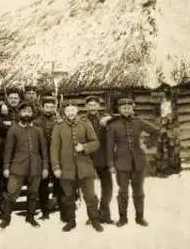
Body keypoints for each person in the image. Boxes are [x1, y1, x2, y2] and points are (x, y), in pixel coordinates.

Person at [106, 97, 164, 227]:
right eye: (123, 108)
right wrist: (110, 164)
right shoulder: (113, 125)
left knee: (138, 191)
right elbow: (109, 147)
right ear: (119, 109)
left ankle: (139, 218)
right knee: (123, 192)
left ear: (132, 109)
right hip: (121, 163)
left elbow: (156, 131)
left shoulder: (139, 122)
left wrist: (148, 145)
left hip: (138, 163)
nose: (126, 110)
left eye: (129, 107)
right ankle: (123, 218)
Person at [50, 103, 103, 232]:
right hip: (66, 169)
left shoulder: (86, 124)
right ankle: (71, 221)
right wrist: (56, 166)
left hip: (85, 168)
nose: (71, 112)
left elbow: (95, 143)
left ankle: (94, 220)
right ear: (64, 112)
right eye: (68, 110)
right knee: (68, 197)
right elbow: (54, 147)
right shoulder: (59, 126)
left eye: (73, 110)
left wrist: (84, 147)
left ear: (77, 110)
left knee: (90, 196)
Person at [0, 102, 49, 229]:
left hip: (35, 167)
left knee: (33, 193)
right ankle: (6, 218)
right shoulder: (13, 130)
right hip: (18, 167)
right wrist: (6, 167)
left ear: (32, 113)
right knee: (11, 193)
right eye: (24, 111)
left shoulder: (38, 130)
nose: (27, 114)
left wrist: (45, 167)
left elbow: (44, 151)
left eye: (29, 111)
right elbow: (8, 150)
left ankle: (30, 217)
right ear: (20, 113)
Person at [83, 95, 115, 224]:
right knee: (89, 188)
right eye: (90, 105)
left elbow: (121, 121)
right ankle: (93, 216)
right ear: (86, 107)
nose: (92, 108)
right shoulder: (82, 120)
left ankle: (105, 214)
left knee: (107, 187)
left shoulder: (105, 118)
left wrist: (110, 118)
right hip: (87, 158)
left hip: (103, 157)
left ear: (99, 106)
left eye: (94, 105)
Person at [33, 96, 64, 221]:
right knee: (43, 184)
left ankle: (60, 207)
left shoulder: (60, 121)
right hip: (43, 157)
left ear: (55, 108)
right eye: (47, 107)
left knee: (59, 182)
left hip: (57, 156)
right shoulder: (36, 122)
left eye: (52, 107)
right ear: (42, 107)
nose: (49, 109)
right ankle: (44, 211)